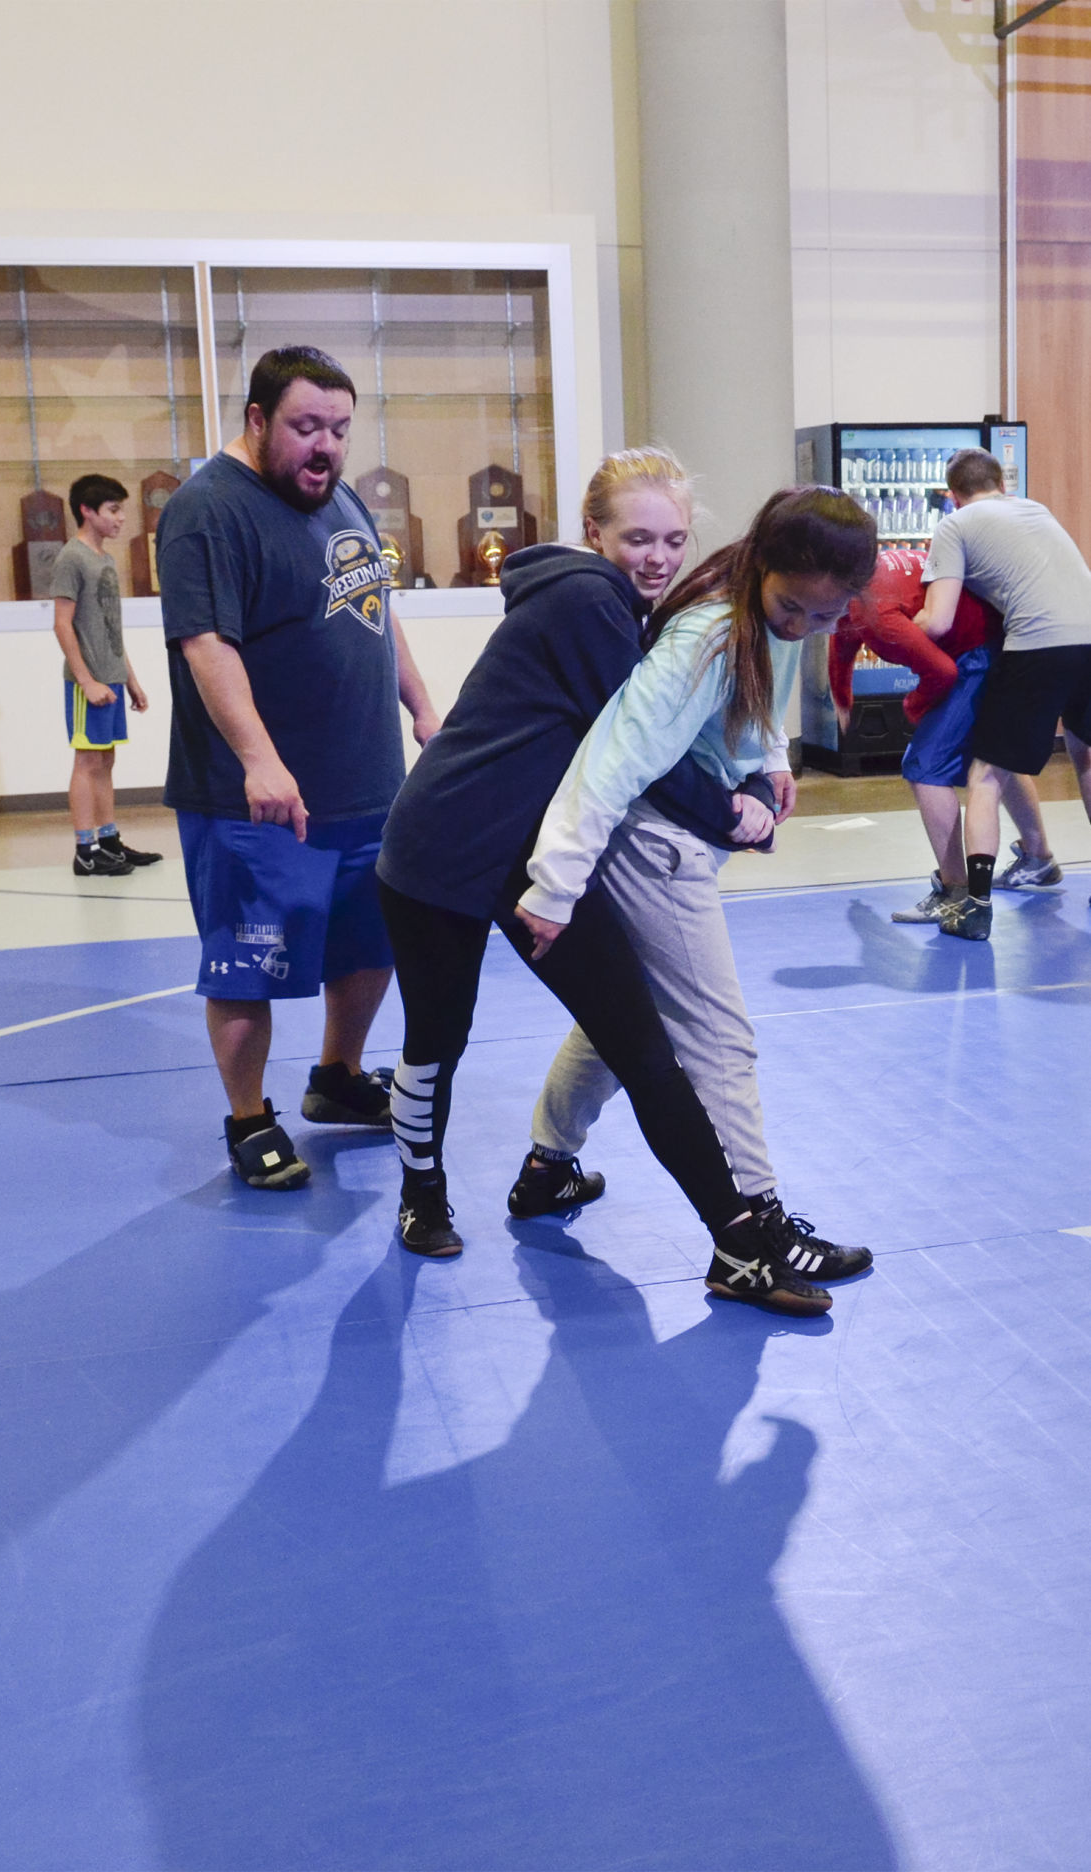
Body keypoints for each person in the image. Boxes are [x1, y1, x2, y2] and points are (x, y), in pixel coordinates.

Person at [378, 465, 871, 1317]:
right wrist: (732, 812)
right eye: (638, 538)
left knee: (634, 1036)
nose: (657, 557)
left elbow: (737, 689)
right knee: (437, 1039)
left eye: (672, 539)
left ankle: (702, 1229)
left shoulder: (676, 603)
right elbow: (629, 755)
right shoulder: (592, 605)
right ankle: (422, 1192)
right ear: (594, 531)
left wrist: (765, 764)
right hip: (446, 845)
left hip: (527, 846)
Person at [512, 489, 876, 1294]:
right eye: (794, 607)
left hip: (673, 841)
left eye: (826, 616)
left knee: (622, 1021)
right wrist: (554, 884)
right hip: (654, 848)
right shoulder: (707, 636)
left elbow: (761, 685)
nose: (803, 627)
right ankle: (757, 1225)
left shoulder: (760, 607)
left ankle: (547, 1166)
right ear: (763, 565)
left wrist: (769, 760)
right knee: (719, 1039)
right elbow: (612, 757)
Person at [157, 345, 439, 1190]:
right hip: (259, 800)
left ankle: (337, 1078)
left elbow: (375, 609)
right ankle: (249, 1119)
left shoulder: (336, 495)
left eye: (340, 429)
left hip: (366, 784)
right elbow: (205, 644)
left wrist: (424, 707)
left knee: (372, 942)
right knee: (247, 965)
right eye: (307, 427)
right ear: (257, 419)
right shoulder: (208, 510)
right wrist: (260, 760)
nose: (326, 447)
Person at [915, 448, 1091, 941]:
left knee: (986, 775)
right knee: (1085, 757)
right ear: (1002, 484)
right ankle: (1036, 859)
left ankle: (975, 906)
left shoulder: (956, 525)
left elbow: (938, 619)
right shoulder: (1036, 509)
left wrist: (890, 630)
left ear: (953, 496)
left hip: (1039, 643)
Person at [826, 546, 1056, 924]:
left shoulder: (875, 615)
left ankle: (955, 891)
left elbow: (942, 673)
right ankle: (1038, 858)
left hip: (976, 653)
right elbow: (841, 642)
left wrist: (914, 706)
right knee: (995, 757)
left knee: (924, 766)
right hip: (1001, 640)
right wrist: (842, 698)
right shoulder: (857, 586)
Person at [51, 474, 161, 877]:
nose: (121, 518)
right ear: (87, 510)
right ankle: (85, 850)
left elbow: (111, 627)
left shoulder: (106, 560)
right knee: (87, 761)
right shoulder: (72, 558)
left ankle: (109, 841)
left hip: (111, 678)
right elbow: (62, 624)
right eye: (113, 510)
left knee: (105, 759)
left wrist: (130, 679)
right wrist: (87, 680)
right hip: (89, 682)